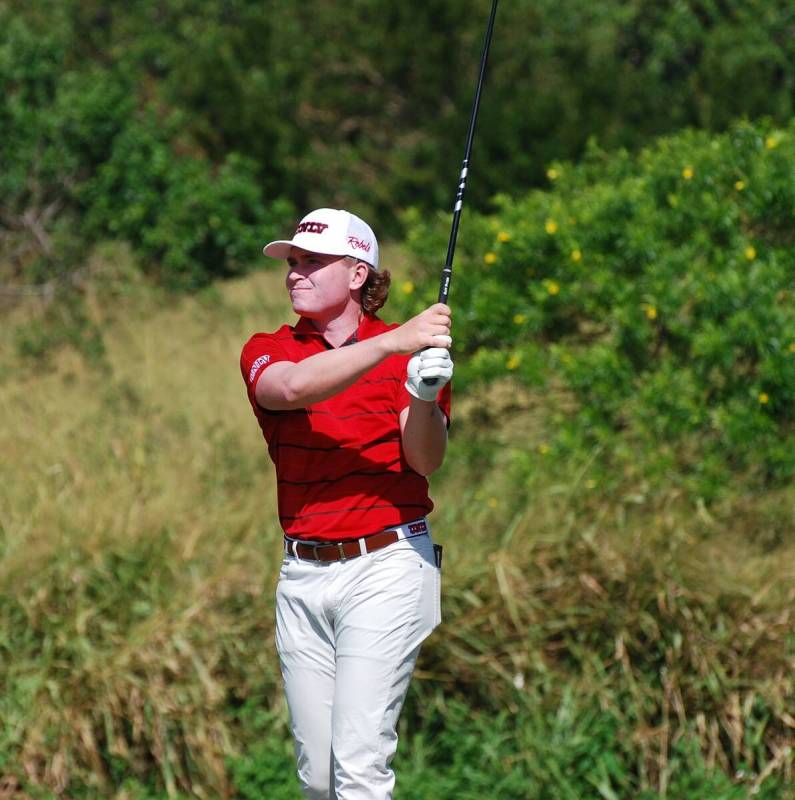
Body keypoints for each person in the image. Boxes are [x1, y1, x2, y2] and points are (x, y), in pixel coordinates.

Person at [239, 208, 454, 800]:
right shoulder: (268, 348)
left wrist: (426, 396)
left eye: (312, 262)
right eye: (292, 263)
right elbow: (291, 388)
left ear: (358, 274)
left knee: (359, 769)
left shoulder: (410, 357)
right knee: (318, 780)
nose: (294, 274)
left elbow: (426, 459)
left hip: (387, 564)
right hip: (302, 573)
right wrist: (395, 341)